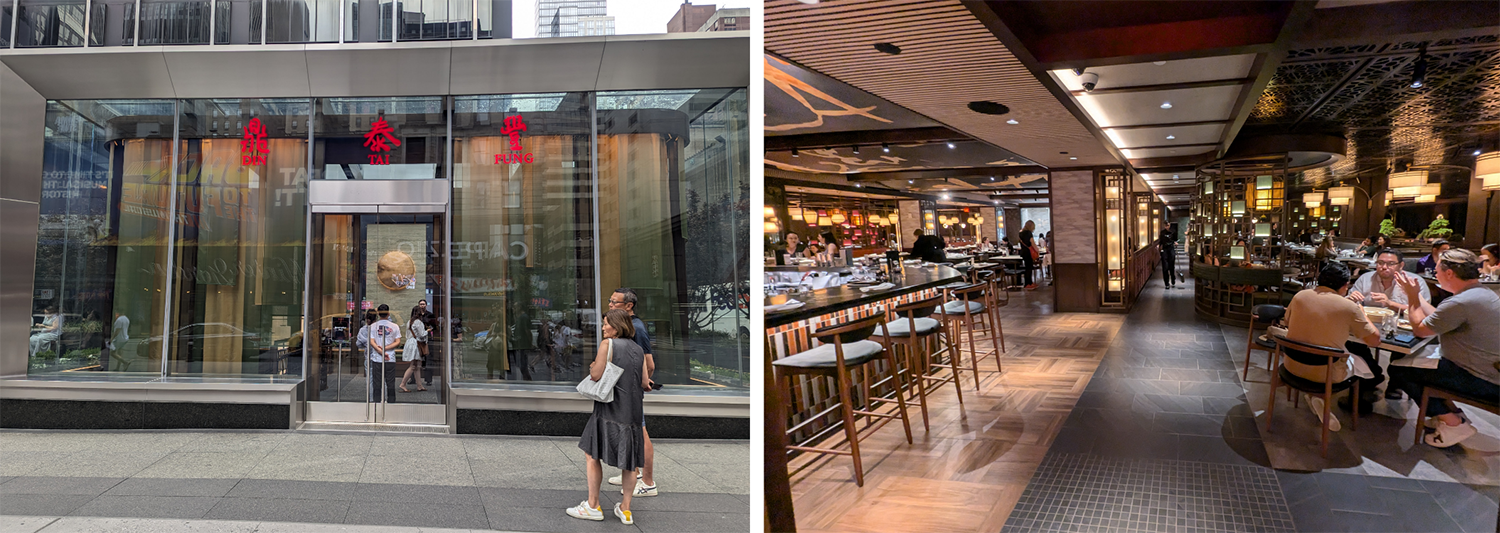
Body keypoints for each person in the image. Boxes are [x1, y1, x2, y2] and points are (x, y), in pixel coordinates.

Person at [1387, 249, 1500, 448]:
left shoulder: (1461, 302)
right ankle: (1450, 415)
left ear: (1449, 273)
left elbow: (1421, 330)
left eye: (1437, 270)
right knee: (1412, 363)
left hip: (1482, 379)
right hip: (1489, 371)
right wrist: (1416, 296)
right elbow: (1439, 318)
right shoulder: (1480, 293)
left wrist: (1413, 299)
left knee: (1399, 370)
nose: (1435, 274)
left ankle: (1453, 423)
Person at [1280, 262, 1384, 431]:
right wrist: (1363, 313)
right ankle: (1326, 397)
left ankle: (1314, 395)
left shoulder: (1300, 296)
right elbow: (1374, 341)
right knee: (1361, 361)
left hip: (1292, 366)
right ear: (1344, 285)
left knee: (1331, 348)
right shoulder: (1349, 307)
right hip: (1326, 375)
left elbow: (1287, 321)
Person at [567, 309, 647, 525]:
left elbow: (595, 374)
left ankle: (593, 505)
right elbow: (645, 382)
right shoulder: (638, 349)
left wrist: (594, 365)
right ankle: (626, 509)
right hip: (632, 412)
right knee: (629, 462)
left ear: (617, 325)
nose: (603, 328)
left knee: (592, 455)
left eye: (606, 324)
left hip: (609, 410)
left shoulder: (607, 345)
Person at [1341, 248, 1430, 411]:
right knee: (1351, 341)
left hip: (1403, 326)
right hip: (1370, 323)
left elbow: (1423, 312)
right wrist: (1350, 298)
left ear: (1400, 265)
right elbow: (1350, 303)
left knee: (1403, 347)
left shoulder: (1413, 282)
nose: (1384, 267)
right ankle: (1372, 373)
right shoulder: (1366, 279)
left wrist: (1390, 303)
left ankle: (1395, 383)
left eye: (1390, 264)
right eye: (1380, 263)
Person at [606, 288, 659, 497]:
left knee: (640, 432)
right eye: (610, 301)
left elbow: (649, 363)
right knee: (629, 431)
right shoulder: (627, 327)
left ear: (629, 306)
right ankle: (633, 473)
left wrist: (639, 384)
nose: (610, 305)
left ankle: (648, 482)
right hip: (623, 389)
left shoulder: (637, 328)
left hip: (631, 391)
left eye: (615, 302)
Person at [368, 305, 402, 403]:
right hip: (390, 358)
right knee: (390, 382)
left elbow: (372, 341)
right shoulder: (395, 326)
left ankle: (377, 403)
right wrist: (386, 349)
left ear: (378, 313)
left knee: (377, 383)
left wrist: (380, 351)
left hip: (376, 358)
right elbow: (397, 341)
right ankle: (391, 403)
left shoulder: (373, 326)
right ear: (388, 313)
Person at [399, 306, 428, 393]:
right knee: (413, 366)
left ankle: (419, 385)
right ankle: (403, 384)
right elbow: (422, 334)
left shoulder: (409, 321)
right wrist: (428, 330)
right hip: (416, 344)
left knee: (416, 366)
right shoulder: (418, 322)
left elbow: (407, 335)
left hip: (410, 342)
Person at [1019, 220, 1038, 290]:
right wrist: (1037, 250)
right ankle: (1028, 283)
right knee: (1029, 268)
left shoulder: (1020, 233)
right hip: (1029, 252)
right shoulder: (1029, 233)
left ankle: (1029, 282)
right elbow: (1032, 243)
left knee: (1027, 267)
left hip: (1023, 252)